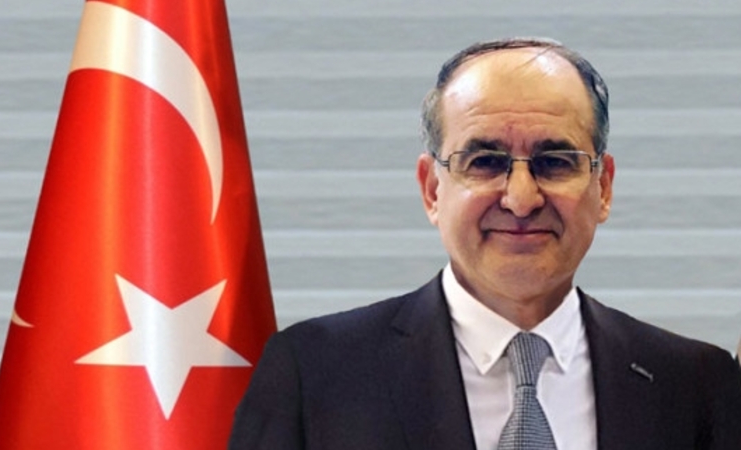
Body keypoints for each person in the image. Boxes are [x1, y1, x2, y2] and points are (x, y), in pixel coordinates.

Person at [229, 37, 741, 449]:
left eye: (555, 162)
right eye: (485, 162)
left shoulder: (696, 384)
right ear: (432, 190)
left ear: (602, 187)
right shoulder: (314, 373)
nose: (521, 199)